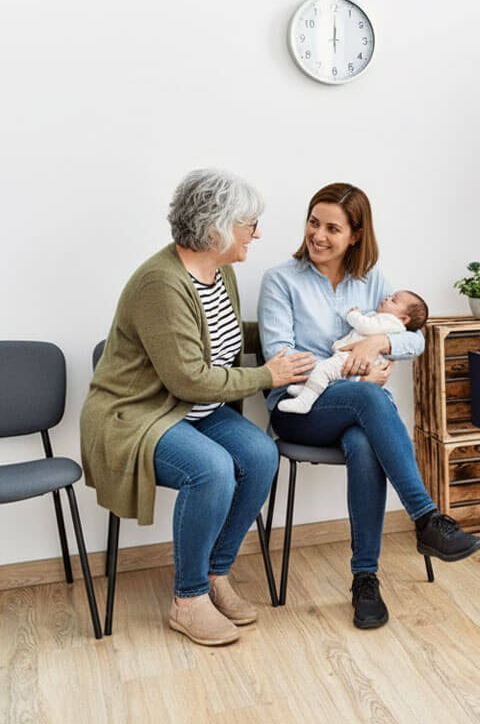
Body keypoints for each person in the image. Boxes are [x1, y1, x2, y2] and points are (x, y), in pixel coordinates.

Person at [81, 169, 315, 647]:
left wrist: (290, 338)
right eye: (250, 223)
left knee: (259, 455)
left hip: (193, 408)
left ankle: (214, 574)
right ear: (216, 227)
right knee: (211, 469)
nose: (257, 233)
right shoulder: (161, 284)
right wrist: (270, 375)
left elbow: (223, 341)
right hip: (140, 411)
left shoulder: (219, 270)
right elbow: (188, 376)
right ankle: (187, 601)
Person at [258, 182, 480, 630]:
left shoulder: (372, 280)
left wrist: (380, 340)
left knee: (364, 441)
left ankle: (365, 579)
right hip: (298, 407)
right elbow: (283, 360)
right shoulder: (280, 280)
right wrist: (354, 369)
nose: (318, 235)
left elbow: (414, 337)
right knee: (368, 395)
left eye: (332, 228)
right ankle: (426, 518)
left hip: (353, 411)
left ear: (355, 236)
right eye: (313, 223)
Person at [278, 291, 429, 415]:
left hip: (354, 359)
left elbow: (366, 327)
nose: (387, 298)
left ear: (403, 318)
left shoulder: (390, 321)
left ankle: (305, 401)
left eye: (393, 301)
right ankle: (311, 389)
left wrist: (354, 315)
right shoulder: (385, 318)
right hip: (352, 360)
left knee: (323, 370)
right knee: (328, 375)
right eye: (390, 296)